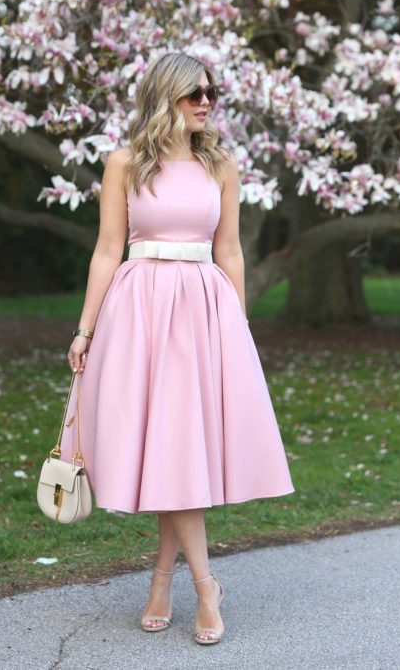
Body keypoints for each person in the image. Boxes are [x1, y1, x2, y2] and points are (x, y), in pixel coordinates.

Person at [60, 52, 295, 645]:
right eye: (194, 93)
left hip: (203, 313)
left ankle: (174, 581)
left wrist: (235, 329)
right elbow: (108, 250)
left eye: (210, 92)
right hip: (140, 312)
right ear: (166, 96)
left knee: (179, 450)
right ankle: (200, 584)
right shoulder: (124, 163)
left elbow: (231, 251)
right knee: (170, 448)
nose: (206, 102)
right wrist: (84, 329)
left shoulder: (221, 164)